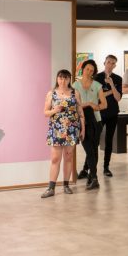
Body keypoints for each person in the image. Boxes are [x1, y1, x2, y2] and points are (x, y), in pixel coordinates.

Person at [41, 69, 85, 198]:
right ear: (57, 79)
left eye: (66, 78)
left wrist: (83, 129)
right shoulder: (51, 94)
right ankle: (51, 187)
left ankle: (66, 184)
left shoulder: (75, 93)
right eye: (60, 78)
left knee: (69, 156)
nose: (63, 80)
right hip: (56, 129)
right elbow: (45, 112)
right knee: (55, 158)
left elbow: (80, 112)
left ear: (69, 79)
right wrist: (54, 110)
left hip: (72, 129)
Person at [74, 59, 107, 190]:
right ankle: (94, 178)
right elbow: (74, 104)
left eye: (92, 71)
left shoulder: (97, 85)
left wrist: (95, 107)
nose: (89, 72)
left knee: (93, 150)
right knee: (88, 149)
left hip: (96, 121)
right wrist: (87, 104)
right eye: (87, 69)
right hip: (82, 121)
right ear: (83, 69)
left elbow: (105, 104)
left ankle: (92, 177)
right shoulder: (75, 85)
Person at [95, 55, 122, 177]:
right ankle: (88, 167)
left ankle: (106, 167)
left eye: (113, 63)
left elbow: (118, 98)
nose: (110, 64)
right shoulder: (96, 77)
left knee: (109, 141)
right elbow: (96, 97)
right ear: (104, 63)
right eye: (108, 62)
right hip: (99, 113)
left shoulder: (118, 79)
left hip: (112, 113)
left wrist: (112, 85)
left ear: (115, 65)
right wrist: (110, 91)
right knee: (94, 141)